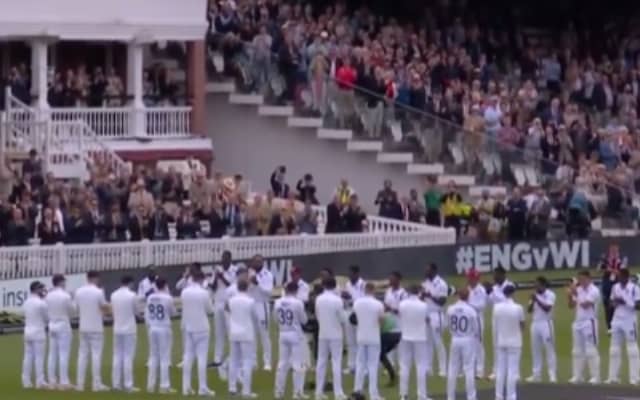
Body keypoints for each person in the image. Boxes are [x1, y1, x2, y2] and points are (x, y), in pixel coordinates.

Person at [180, 270, 215, 396]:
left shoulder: (184, 292)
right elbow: (210, 310)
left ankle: (186, 387)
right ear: (201, 279)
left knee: (188, 357)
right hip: (202, 328)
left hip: (189, 327)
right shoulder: (204, 293)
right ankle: (202, 388)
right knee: (201, 358)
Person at [75, 270, 110, 392]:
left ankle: (80, 384)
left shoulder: (78, 291)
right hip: (95, 327)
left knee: (82, 355)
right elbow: (104, 308)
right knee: (96, 355)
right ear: (95, 278)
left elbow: (77, 309)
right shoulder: (98, 292)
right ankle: (96, 384)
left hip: (83, 326)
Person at [274, 281, 308, 399]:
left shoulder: (277, 302)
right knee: (297, 363)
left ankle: (279, 391)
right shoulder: (298, 303)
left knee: (282, 363)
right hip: (295, 333)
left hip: (282, 333)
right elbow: (304, 320)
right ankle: (297, 392)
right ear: (295, 290)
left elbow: (275, 318)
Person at [605, 268, 640, 385]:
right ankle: (613, 377)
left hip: (630, 321)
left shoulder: (634, 288)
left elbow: (638, 306)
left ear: (626, 277)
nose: (619, 279)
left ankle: (635, 377)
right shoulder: (615, 287)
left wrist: (624, 301)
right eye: (618, 277)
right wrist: (614, 303)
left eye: (620, 277)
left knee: (632, 349)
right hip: (617, 320)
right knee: (614, 349)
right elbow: (610, 303)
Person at [315, 277, 347, 400]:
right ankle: (338, 393)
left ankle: (318, 392)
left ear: (324, 285)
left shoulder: (319, 299)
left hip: (323, 333)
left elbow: (318, 315)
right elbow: (343, 318)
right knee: (336, 362)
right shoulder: (337, 300)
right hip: (335, 334)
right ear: (334, 286)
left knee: (321, 362)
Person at [352, 282, 384, 400]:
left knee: (360, 364)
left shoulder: (357, 302)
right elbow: (381, 320)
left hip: (361, 336)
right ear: (373, 290)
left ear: (365, 290)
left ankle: (357, 390)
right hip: (373, 337)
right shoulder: (378, 304)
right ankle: (374, 394)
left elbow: (355, 317)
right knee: (372, 366)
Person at [398, 284, 431, 400]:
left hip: (405, 337)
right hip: (420, 337)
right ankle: (421, 395)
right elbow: (427, 320)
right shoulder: (424, 305)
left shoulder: (402, 304)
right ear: (418, 293)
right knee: (421, 366)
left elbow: (400, 316)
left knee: (404, 366)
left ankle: (403, 395)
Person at [568, 270, 601, 384]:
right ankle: (578, 376)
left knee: (590, 350)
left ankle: (595, 377)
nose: (581, 282)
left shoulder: (594, 290)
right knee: (577, 351)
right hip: (578, 322)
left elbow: (586, 305)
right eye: (579, 279)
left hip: (589, 322)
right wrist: (570, 295)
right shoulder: (579, 289)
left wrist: (576, 294)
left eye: (583, 279)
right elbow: (571, 306)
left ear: (589, 278)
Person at [446, 287, 478, 400]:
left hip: (455, 339)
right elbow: (476, 329)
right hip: (467, 339)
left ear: (458, 295)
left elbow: (448, 324)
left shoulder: (450, 309)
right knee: (468, 369)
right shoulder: (471, 310)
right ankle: (471, 397)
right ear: (468, 296)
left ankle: (450, 397)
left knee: (452, 369)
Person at [145, 277, 176, 394]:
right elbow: (173, 312)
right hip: (163, 327)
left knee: (153, 356)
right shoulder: (168, 297)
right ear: (165, 285)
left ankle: (151, 385)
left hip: (152, 327)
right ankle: (164, 386)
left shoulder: (150, 297)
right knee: (164, 357)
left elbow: (147, 313)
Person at [492, 285, 524, 400]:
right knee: (512, 371)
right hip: (515, 342)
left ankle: (498, 396)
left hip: (501, 341)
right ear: (513, 293)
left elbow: (495, 324)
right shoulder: (518, 308)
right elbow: (522, 325)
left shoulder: (496, 307)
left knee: (500, 370)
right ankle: (511, 397)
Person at [227, 279, 257, 398]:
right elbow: (254, 316)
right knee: (247, 362)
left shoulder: (231, 300)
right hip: (246, 333)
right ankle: (246, 391)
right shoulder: (250, 301)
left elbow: (229, 311)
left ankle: (232, 388)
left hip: (234, 332)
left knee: (233, 361)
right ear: (247, 287)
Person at [210, 250, 238, 378]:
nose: (223, 260)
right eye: (222, 258)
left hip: (229, 304)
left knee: (230, 331)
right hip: (218, 302)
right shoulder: (217, 270)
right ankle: (217, 359)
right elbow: (213, 287)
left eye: (225, 258)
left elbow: (231, 285)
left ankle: (233, 358)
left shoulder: (234, 270)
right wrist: (216, 277)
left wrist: (221, 276)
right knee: (218, 332)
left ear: (230, 259)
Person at [45, 274, 75, 390]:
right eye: (64, 281)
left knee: (52, 354)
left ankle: (52, 381)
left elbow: (47, 310)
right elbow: (72, 312)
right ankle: (64, 382)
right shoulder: (65, 296)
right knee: (63, 354)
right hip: (63, 325)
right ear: (61, 282)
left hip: (52, 325)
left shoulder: (48, 296)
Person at [110, 275, 140, 392]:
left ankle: (116, 383)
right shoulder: (132, 295)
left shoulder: (113, 294)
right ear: (130, 283)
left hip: (117, 328)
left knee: (117, 356)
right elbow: (136, 311)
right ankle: (128, 385)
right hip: (129, 329)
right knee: (128, 357)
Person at [526, 276, 557, 383]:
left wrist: (537, 299)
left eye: (537, 284)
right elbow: (529, 310)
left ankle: (552, 375)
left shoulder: (550, 294)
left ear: (543, 285)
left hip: (546, 323)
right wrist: (532, 301)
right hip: (535, 323)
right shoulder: (534, 295)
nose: (535, 286)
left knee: (549, 349)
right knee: (535, 350)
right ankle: (536, 375)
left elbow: (547, 308)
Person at [248, 254, 274, 371]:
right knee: (252, 335)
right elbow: (246, 288)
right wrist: (250, 281)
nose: (257, 263)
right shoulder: (249, 274)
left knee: (264, 334)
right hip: (250, 304)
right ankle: (253, 362)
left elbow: (268, 292)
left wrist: (257, 282)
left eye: (259, 261)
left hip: (262, 305)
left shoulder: (267, 275)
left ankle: (267, 362)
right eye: (255, 261)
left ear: (263, 262)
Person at [422, 263, 448, 377]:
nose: (426, 272)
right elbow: (423, 299)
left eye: (428, 270)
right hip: (427, 315)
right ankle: (428, 368)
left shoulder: (441, 284)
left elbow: (442, 301)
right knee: (428, 343)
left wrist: (430, 295)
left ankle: (443, 369)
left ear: (434, 271)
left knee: (438, 342)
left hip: (437, 315)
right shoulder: (425, 283)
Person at [488, 266, 515, 380]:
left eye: (496, 274)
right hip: (496, 318)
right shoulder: (494, 287)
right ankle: (497, 370)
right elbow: (490, 301)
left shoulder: (510, 285)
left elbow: (504, 299)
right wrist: (489, 292)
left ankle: (512, 371)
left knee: (509, 345)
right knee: (496, 345)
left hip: (507, 319)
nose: (494, 277)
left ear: (502, 275)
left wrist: (491, 292)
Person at [22, 281, 48, 389]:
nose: (43, 291)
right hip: (38, 332)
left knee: (27, 357)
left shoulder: (26, 302)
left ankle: (26, 381)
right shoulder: (41, 303)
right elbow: (47, 318)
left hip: (28, 331)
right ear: (37, 289)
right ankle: (40, 381)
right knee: (39, 357)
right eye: (41, 289)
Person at [382, 271, 407, 386]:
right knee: (389, 349)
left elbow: (402, 311)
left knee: (401, 348)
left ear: (398, 280)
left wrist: (390, 308)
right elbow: (385, 306)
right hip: (389, 323)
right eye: (389, 279)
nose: (390, 281)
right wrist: (385, 309)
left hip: (400, 324)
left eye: (392, 279)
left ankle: (402, 369)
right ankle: (390, 369)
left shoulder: (403, 293)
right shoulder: (388, 291)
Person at [599, 244, 627, 333]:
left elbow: (621, 273)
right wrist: (604, 268)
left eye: (616, 251)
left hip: (617, 285)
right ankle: (609, 326)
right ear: (610, 252)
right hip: (607, 285)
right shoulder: (605, 261)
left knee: (617, 305)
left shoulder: (621, 261)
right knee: (607, 305)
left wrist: (611, 270)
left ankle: (619, 324)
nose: (614, 253)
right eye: (612, 251)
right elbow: (599, 269)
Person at [343, 265, 366, 374]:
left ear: (357, 274)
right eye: (349, 274)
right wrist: (345, 298)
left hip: (360, 314)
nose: (349, 276)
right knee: (350, 341)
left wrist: (350, 298)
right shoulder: (347, 284)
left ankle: (361, 365)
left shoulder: (363, 284)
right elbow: (346, 301)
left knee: (359, 340)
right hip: (348, 312)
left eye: (351, 274)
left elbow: (363, 300)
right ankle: (352, 366)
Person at [466, 268, 488, 379]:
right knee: (468, 343)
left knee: (478, 344)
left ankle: (480, 370)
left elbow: (482, 305)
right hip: (468, 320)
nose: (469, 279)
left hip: (477, 319)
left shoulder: (481, 290)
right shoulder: (467, 289)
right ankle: (470, 368)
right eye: (469, 277)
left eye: (471, 277)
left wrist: (469, 306)